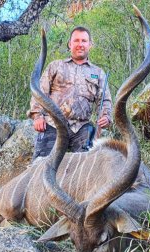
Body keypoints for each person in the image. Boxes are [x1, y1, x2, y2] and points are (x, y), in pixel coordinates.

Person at [27, 26, 112, 160]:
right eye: (76, 41)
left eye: (84, 41)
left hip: (82, 128)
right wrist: (37, 116)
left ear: (90, 45)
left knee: (87, 166)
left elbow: (105, 100)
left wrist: (106, 117)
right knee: (39, 167)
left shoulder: (98, 73)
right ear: (70, 44)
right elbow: (39, 92)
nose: (80, 44)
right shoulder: (55, 66)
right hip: (53, 124)